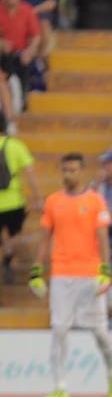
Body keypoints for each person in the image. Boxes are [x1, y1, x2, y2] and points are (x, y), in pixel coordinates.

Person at [29, 153, 112, 397]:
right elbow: (45, 237)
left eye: (73, 170)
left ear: (82, 172)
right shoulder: (53, 202)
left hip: (90, 274)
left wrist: (105, 269)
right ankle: (60, 386)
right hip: (61, 274)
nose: (68, 175)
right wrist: (37, 268)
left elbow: (102, 238)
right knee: (59, 329)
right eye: (65, 170)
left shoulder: (95, 201)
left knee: (100, 333)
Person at [0, 116, 38, 283]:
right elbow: (30, 173)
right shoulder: (16, 146)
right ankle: (8, 255)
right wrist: (37, 197)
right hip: (14, 201)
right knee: (15, 234)